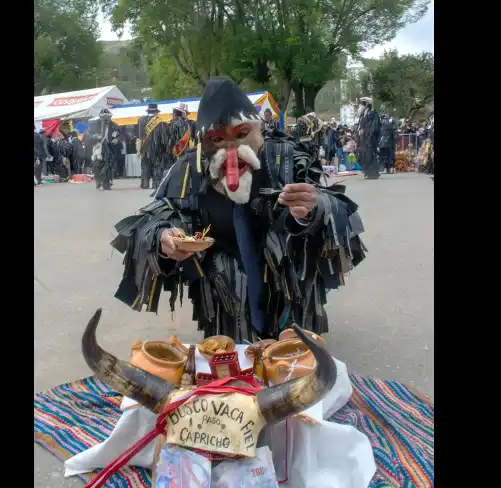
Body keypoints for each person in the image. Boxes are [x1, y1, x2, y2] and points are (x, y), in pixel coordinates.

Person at [109, 76, 367, 342]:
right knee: (232, 366)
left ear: (258, 129)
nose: (231, 148)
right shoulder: (189, 168)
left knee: (291, 363)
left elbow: (336, 208)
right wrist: (162, 236)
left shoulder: (287, 157)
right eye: (217, 139)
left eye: (242, 134)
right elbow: (154, 216)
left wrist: (315, 209)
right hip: (224, 294)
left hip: (289, 288)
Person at [86, 109, 121, 190]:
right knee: (96, 165)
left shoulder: (114, 125)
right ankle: (98, 180)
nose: (106, 119)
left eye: (107, 117)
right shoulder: (94, 124)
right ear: (100, 116)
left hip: (109, 148)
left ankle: (106, 182)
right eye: (104, 117)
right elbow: (87, 135)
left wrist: (117, 139)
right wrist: (94, 137)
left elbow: (119, 135)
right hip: (97, 148)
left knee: (108, 165)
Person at [137, 103, 162, 189]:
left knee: (145, 166)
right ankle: (156, 184)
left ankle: (145, 184)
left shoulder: (141, 120)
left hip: (145, 148)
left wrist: (139, 149)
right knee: (156, 166)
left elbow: (140, 136)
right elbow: (162, 137)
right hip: (157, 148)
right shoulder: (159, 121)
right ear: (156, 112)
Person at [357, 96, 382, 179]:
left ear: (367, 104)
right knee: (364, 155)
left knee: (370, 155)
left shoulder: (373, 113)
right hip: (364, 139)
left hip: (370, 139)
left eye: (363, 103)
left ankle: (372, 173)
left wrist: (366, 130)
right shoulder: (363, 114)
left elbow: (375, 127)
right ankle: (367, 171)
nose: (361, 105)